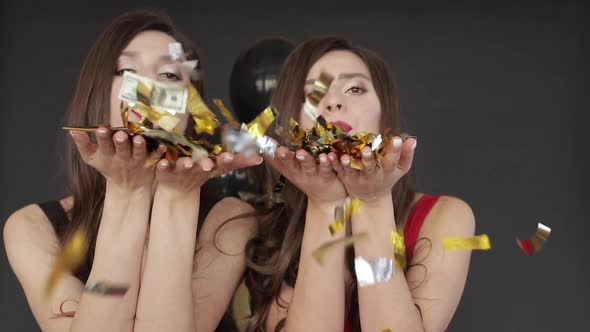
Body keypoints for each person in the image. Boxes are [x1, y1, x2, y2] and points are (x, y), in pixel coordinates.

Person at [4, 10, 259, 332]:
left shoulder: (230, 220)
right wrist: (126, 191)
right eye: (126, 70)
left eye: (169, 75)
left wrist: (177, 196)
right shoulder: (32, 227)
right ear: (96, 92)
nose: (147, 87)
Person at [245, 37, 476, 332]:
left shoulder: (445, 216)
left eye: (355, 89)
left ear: (385, 114)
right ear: (293, 120)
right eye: (314, 93)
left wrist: (372, 202)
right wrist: (325, 204)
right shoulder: (256, 228)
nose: (333, 102)